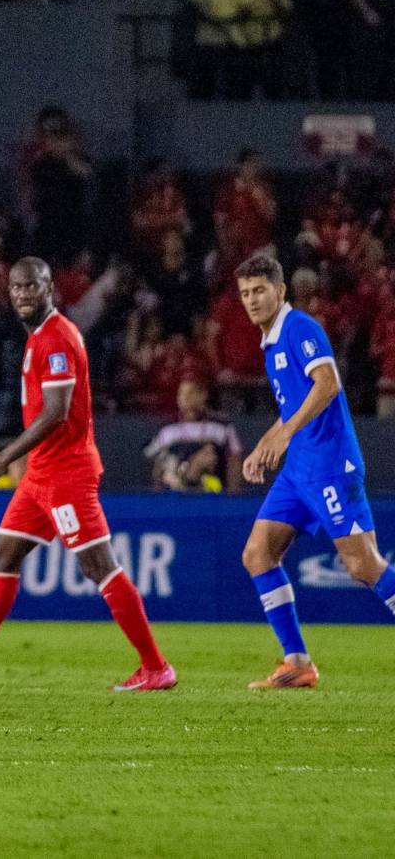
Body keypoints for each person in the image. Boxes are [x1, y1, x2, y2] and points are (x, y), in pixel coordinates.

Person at [0, 257, 175, 691]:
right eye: (16, 287)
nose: (22, 294)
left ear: (49, 288)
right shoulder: (39, 337)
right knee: (3, 556)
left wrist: (1, 460)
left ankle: (156, 667)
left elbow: (56, 413)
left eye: (31, 286)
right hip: (41, 474)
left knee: (99, 566)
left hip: (66, 473)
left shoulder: (56, 338)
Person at [234, 254, 395, 688]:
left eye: (259, 290)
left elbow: (327, 384)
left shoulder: (299, 328)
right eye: (245, 293)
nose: (252, 300)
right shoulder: (270, 341)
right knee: (258, 553)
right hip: (299, 470)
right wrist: (267, 441)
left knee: (362, 565)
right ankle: (297, 663)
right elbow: (293, 405)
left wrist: (284, 435)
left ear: (280, 290)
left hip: (329, 465)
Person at [144, 378, 244, 494]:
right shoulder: (167, 428)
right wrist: (158, 493)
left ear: (203, 395)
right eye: (181, 394)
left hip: (213, 490)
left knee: (208, 453)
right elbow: (155, 462)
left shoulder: (222, 426)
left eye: (190, 393)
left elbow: (234, 459)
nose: (184, 398)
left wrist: (233, 493)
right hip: (174, 490)